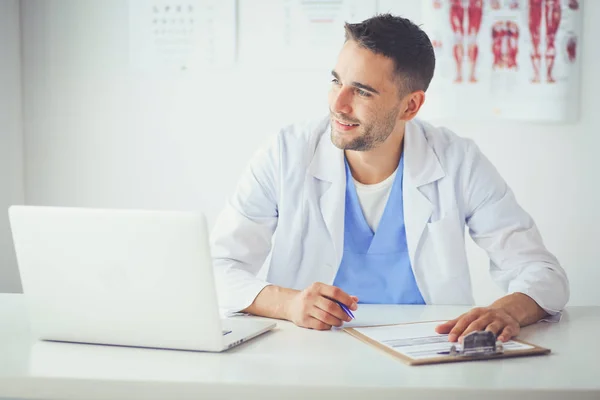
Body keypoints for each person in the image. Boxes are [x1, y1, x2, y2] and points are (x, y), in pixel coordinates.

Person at [210, 14, 569, 343]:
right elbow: (217, 268)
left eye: (362, 91)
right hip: (309, 352)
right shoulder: (285, 154)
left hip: (429, 354)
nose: (339, 103)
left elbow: (542, 272)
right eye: (336, 81)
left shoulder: (458, 161)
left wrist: (506, 310)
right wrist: (287, 303)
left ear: (411, 106)